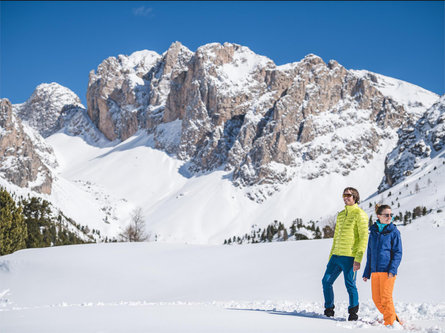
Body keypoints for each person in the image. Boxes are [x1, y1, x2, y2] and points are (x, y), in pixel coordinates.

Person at [322, 187, 369, 321]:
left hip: (350, 257)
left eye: (349, 195)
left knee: (350, 284)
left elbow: (363, 238)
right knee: (326, 281)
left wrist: (358, 258)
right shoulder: (341, 215)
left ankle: (353, 313)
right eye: (344, 195)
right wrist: (331, 256)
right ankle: (329, 309)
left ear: (355, 197)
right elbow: (336, 237)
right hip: (336, 256)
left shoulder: (360, 214)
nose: (346, 197)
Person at [363, 204, 403, 327]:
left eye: (391, 215)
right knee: (377, 299)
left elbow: (398, 252)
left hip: (387, 271)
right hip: (375, 271)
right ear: (379, 216)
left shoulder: (394, 232)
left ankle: (390, 324)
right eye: (386, 215)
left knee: (386, 298)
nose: (389, 217)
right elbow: (370, 253)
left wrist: (392, 269)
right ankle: (394, 319)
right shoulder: (373, 232)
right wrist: (367, 272)